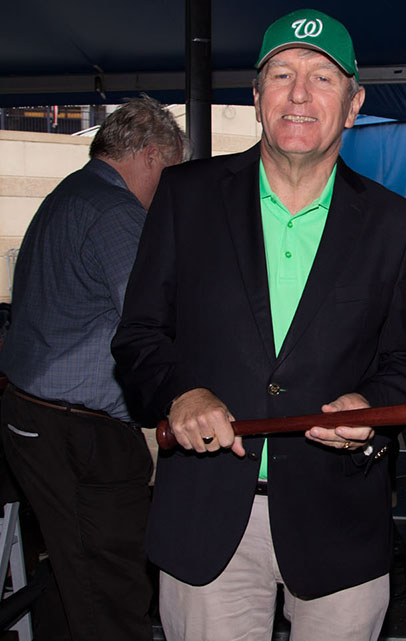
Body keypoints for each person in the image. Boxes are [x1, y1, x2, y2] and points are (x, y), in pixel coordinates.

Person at [111, 9, 406, 641]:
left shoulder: (395, 224)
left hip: (339, 518)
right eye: (281, 74)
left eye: (322, 77)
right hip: (207, 519)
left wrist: (371, 405)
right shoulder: (186, 197)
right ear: (256, 97)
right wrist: (182, 391)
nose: (299, 93)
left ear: (353, 102)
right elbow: (138, 336)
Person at [0, 96, 186, 641]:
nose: (167, 193)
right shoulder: (117, 215)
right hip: (78, 431)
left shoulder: (68, 195)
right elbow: (153, 321)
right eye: (170, 175)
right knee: (111, 588)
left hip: (32, 415)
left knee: (69, 573)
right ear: (151, 156)